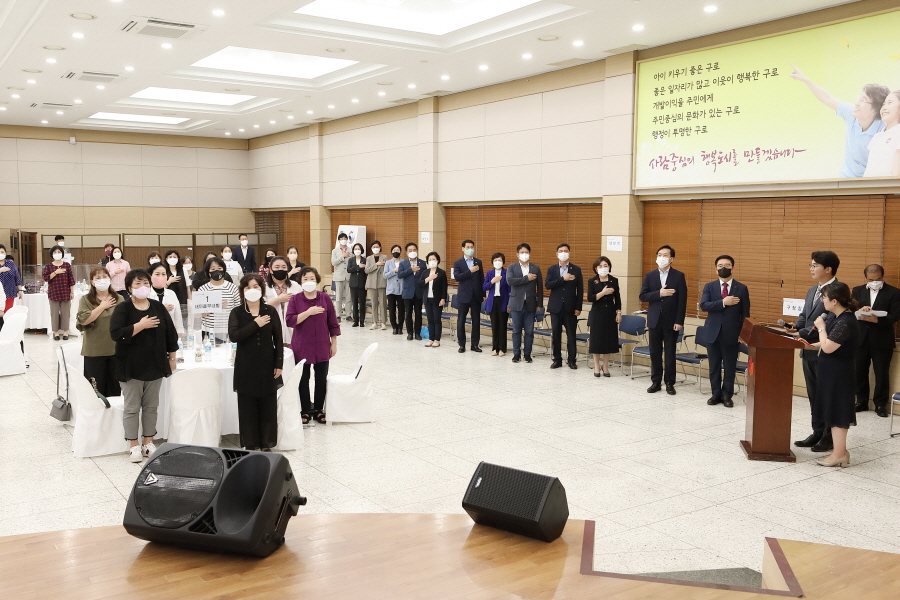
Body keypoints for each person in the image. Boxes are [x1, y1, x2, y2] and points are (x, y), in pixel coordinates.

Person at [109, 269, 178, 463]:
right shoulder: (123, 308)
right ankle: (133, 444)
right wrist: (140, 325)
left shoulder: (157, 306)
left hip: (155, 364)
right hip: (130, 366)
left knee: (151, 406)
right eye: (137, 284)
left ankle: (148, 442)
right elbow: (116, 333)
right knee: (132, 408)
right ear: (129, 288)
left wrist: (172, 358)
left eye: (146, 283)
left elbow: (170, 334)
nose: (143, 287)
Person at [790, 65, 888, 178]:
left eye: (863, 100)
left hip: (872, 181)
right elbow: (827, 98)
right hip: (846, 178)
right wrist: (805, 79)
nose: (857, 102)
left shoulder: (884, 128)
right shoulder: (851, 113)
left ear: (876, 110)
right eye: (859, 97)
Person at [790, 250, 840, 452]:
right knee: (814, 394)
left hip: (826, 350)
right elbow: (805, 315)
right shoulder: (813, 290)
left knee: (827, 395)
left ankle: (829, 436)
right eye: (810, 265)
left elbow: (828, 320)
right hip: (808, 350)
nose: (811, 269)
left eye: (814, 265)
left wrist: (802, 332)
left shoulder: (839, 290)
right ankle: (817, 431)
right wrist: (795, 327)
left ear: (828, 269)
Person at [228, 274, 283, 451]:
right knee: (247, 406)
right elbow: (234, 336)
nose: (252, 290)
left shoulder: (270, 311)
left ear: (262, 289)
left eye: (256, 287)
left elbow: (278, 339)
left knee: (268, 405)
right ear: (243, 291)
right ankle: (250, 444)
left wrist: (279, 363)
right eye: (248, 287)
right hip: (246, 365)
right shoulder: (237, 312)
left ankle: (267, 443)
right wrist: (255, 323)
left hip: (267, 363)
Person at [809, 282, 859, 467]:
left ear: (835, 300)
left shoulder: (846, 320)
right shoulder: (836, 317)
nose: (822, 301)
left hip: (839, 373)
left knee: (838, 411)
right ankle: (840, 452)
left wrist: (821, 327)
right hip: (830, 371)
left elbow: (829, 347)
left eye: (824, 297)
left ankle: (838, 454)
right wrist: (804, 345)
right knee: (832, 409)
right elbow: (826, 342)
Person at [286, 267, 340, 425]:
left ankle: (318, 409)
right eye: (305, 279)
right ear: (300, 282)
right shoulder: (295, 299)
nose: (308, 281)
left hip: (322, 344)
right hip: (301, 345)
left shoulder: (324, 298)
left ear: (316, 280)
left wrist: (334, 342)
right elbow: (290, 320)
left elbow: (332, 322)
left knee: (321, 378)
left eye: (311, 278)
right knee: (303, 379)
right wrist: (308, 312)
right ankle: (305, 409)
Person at [699, 255, 750, 407]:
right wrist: (723, 302)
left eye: (727, 265)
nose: (723, 268)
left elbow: (745, 314)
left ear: (733, 268)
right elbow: (704, 306)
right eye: (720, 265)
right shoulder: (710, 286)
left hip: (732, 333)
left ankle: (727, 395)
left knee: (729, 366)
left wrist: (743, 333)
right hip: (712, 333)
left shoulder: (741, 288)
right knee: (714, 366)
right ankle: (715, 394)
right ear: (716, 269)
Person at [851, 264, 900, 417]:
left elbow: (895, 316)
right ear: (865, 278)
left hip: (882, 339)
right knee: (859, 371)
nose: (875, 281)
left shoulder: (894, 292)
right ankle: (861, 401)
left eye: (878, 279)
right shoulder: (857, 291)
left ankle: (880, 405)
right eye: (871, 279)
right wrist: (861, 309)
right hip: (860, 338)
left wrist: (877, 321)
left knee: (881, 373)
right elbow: (850, 310)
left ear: (883, 277)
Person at [639, 245, 687, 395]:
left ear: (671, 259)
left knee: (670, 352)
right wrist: (659, 293)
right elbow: (643, 296)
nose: (661, 257)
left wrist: (679, 321)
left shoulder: (679, 276)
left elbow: (682, 300)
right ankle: (656, 381)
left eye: (665, 255)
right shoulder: (650, 275)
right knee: (655, 351)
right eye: (659, 254)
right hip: (654, 319)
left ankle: (669, 383)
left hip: (671, 320)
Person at [76, 267, 123, 397]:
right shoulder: (85, 300)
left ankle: (113, 417)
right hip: (94, 351)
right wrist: (102, 307)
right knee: (95, 392)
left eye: (105, 277)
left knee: (115, 391)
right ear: (92, 282)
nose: (102, 280)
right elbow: (84, 321)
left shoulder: (119, 299)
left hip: (115, 350)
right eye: (98, 278)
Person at [545, 243, 583, 369]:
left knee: (571, 335)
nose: (563, 253)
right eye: (561, 251)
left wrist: (578, 307)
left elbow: (580, 290)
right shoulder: (552, 269)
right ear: (557, 254)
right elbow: (548, 285)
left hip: (570, 308)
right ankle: (557, 359)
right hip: (555, 307)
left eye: (565, 251)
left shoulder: (576, 269)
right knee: (556, 334)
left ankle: (572, 360)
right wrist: (563, 279)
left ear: (569, 253)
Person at [506, 243, 542, 363]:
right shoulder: (512, 267)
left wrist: (539, 304)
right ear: (517, 254)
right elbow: (510, 281)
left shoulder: (535, 268)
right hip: (516, 304)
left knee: (529, 331)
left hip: (531, 304)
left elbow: (540, 288)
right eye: (522, 252)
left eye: (526, 252)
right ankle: (516, 354)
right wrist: (526, 278)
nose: (524, 254)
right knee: (516, 330)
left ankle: (527, 354)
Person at [587, 256, 621, 377]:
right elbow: (590, 298)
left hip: (610, 313)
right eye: (600, 266)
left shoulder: (614, 280)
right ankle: (596, 365)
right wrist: (603, 293)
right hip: (597, 313)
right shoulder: (592, 281)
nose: (603, 268)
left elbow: (618, 299)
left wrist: (619, 312)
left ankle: (605, 365)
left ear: (609, 267)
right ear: (596, 268)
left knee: (608, 340)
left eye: (605, 265)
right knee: (596, 340)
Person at [198, 257, 241, 343]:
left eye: (219, 268)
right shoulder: (203, 289)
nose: (216, 271)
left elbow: (238, 310)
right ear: (209, 273)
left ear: (224, 271)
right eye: (213, 269)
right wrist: (216, 306)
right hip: (209, 331)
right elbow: (199, 314)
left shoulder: (232, 287)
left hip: (229, 330)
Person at [453, 239, 485, 353]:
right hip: (463, 295)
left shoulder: (478, 262)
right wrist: (469, 271)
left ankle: (475, 344)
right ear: (463, 248)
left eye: (472, 247)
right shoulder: (458, 263)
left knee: (476, 321)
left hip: (476, 295)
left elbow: (481, 278)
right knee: (461, 320)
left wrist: (483, 294)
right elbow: (457, 277)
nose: (470, 249)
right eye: (467, 247)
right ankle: (461, 344)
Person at [265, 257, 302, 347]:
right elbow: (260, 308)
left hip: (293, 329)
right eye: (277, 267)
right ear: (271, 270)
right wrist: (278, 300)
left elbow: (302, 305)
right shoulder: (264, 287)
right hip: (270, 328)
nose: (280, 269)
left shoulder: (295, 285)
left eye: (283, 267)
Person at [42, 245, 75, 341]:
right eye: (55, 252)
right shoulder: (48, 266)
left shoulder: (67, 265)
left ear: (62, 254)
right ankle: (55, 332)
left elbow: (71, 280)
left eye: (59, 252)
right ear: (52, 254)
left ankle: (65, 332)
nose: (57, 254)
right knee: (54, 313)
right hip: (53, 292)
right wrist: (56, 272)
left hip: (65, 292)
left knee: (66, 313)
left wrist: (72, 292)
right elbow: (46, 278)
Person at [864, 90, 900, 177]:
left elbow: (897, 174)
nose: (884, 107)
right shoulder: (877, 136)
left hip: (888, 188)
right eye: (883, 104)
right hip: (871, 188)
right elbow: (869, 169)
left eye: (890, 103)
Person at [482, 252, 510, 356]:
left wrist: (509, 304)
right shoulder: (489, 273)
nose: (497, 262)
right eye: (495, 260)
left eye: (499, 260)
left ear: (503, 262)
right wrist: (492, 281)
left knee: (502, 325)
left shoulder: (507, 273)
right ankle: (495, 348)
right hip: (492, 301)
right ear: (492, 262)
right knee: (494, 326)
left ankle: (502, 348)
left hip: (503, 301)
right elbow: (484, 287)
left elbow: (509, 290)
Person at [398, 242, 426, 340]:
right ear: (406, 252)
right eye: (410, 250)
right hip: (407, 292)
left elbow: (425, 277)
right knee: (408, 313)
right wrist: (411, 269)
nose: (412, 252)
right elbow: (400, 275)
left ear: (417, 251)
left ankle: (417, 333)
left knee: (418, 313)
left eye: (414, 250)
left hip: (418, 292)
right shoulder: (403, 263)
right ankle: (410, 333)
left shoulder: (422, 263)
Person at [420, 252, 448, 348]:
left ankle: (437, 339)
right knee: (430, 319)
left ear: (437, 260)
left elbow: (444, 287)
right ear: (427, 261)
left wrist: (443, 298)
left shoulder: (441, 273)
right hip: (427, 299)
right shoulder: (425, 272)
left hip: (437, 299)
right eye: (430, 259)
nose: (432, 261)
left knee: (437, 319)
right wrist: (428, 279)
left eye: (434, 259)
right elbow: (419, 284)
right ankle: (431, 339)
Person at [148, 264, 184, 336]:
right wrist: (161, 309)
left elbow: (178, 316)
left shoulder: (171, 293)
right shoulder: (146, 294)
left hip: (169, 333)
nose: (161, 277)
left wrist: (179, 333)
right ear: (150, 276)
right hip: (151, 334)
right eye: (157, 274)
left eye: (163, 274)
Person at [0, 244, 24, 333]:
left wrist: (20, 289)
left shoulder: (10, 263)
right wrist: (1, 270)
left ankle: (6, 332)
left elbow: (17, 277)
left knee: (7, 313)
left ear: (5, 253)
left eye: (2, 252)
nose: (1, 253)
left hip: (10, 292)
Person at [365, 240, 388, 330]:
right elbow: (367, 270)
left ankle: (383, 322)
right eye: (374, 247)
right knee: (374, 303)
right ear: (371, 248)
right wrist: (376, 264)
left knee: (383, 303)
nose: (376, 248)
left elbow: (387, 268)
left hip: (382, 282)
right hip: (372, 283)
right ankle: (374, 322)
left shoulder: (384, 257)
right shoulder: (369, 258)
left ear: (380, 247)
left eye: (377, 247)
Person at [384, 244, 405, 335]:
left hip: (401, 289)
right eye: (394, 250)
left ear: (400, 252)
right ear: (391, 252)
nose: (396, 251)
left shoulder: (404, 262)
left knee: (401, 309)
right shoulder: (388, 263)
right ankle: (394, 327)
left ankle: (400, 327)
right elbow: (385, 275)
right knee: (392, 309)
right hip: (391, 289)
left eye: (398, 250)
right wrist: (394, 271)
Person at [331, 233, 352, 321]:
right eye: (342, 238)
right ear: (339, 240)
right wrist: (342, 256)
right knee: (338, 297)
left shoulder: (350, 250)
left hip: (348, 276)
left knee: (348, 296)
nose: (343, 239)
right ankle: (338, 315)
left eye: (345, 238)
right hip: (339, 276)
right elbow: (333, 263)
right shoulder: (335, 251)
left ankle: (348, 315)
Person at [346, 243, 368, 328]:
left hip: (362, 283)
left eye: (359, 249)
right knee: (354, 303)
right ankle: (356, 320)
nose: (357, 250)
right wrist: (358, 266)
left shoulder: (365, 259)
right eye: (355, 249)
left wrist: (363, 267)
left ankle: (362, 321)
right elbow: (349, 270)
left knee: (362, 303)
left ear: (361, 250)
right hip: (353, 284)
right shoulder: (351, 260)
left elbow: (366, 270)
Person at [163, 250, 189, 314]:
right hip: (168, 302)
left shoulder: (183, 270)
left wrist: (189, 301)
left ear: (178, 258)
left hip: (183, 301)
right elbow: (161, 288)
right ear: (166, 259)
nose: (172, 258)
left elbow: (187, 287)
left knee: (183, 321)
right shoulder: (163, 271)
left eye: (174, 257)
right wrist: (169, 282)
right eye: (170, 257)